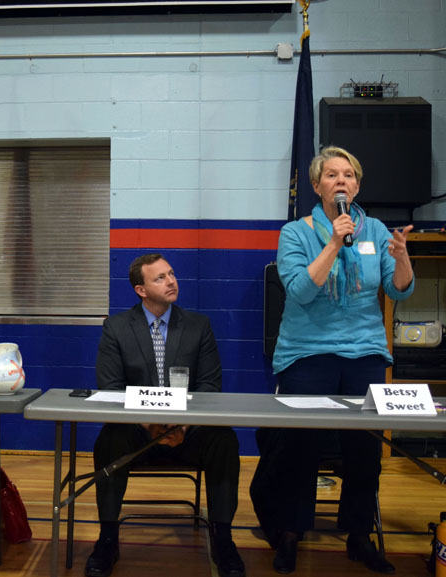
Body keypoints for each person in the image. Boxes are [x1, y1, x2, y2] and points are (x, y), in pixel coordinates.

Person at [253, 146, 413, 574]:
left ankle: (359, 536)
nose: (341, 181)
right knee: (298, 448)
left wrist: (401, 258)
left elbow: (398, 291)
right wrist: (331, 242)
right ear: (317, 185)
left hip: (363, 353)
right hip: (307, 353)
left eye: (348, 175)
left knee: (363, 449)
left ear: (357, 185)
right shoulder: (296, 232)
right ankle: (289, 533)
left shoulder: (376, 229)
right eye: (332, 175)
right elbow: (302, 291)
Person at [85, 254, 244, 577]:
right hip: (139, 430)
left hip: (188, 430)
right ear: (140, 290)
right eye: (160, 278)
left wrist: (183, 425)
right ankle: (107, 538)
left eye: (171, 274)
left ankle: (223, 538)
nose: (171, 281)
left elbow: (210, 387)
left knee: (224, 439)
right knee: (110, 439)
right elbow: (112, 388)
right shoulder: (116, 327)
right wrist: (151, 424)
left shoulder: (198, 326)